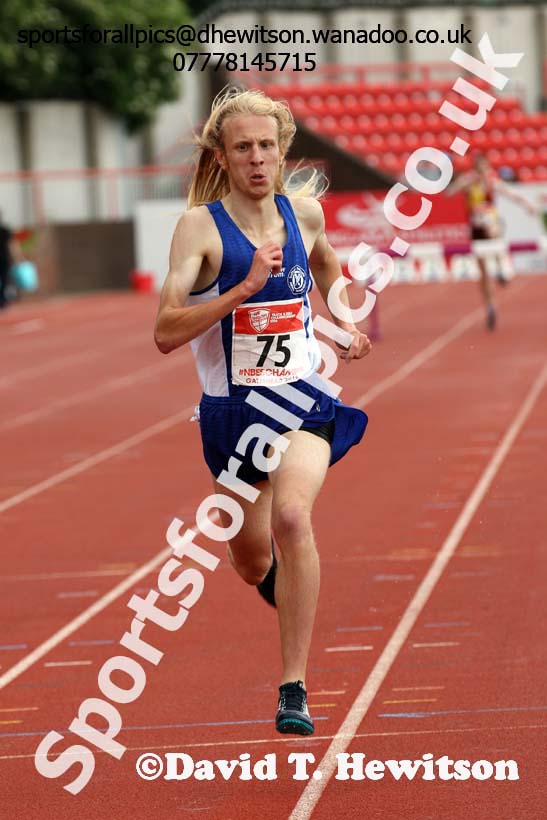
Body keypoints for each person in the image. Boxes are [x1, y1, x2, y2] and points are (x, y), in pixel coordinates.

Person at [154, 87, 372, 736]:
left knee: (292, 515)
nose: (257, 158)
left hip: (301, 397)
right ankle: (275, 583)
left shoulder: (303, 215)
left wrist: (342, 316)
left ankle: (292, 688)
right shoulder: (198, 229)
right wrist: (242, 290)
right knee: (251, 560)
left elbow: (327, 269)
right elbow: (166, 330)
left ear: (282, 153)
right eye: (243, 147)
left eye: (267, 147)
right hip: (232, 418)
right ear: (221, 156)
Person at [448, 152, 537, 330]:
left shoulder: (491, 183)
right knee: (483, 273)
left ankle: (500, 268)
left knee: (494, 230)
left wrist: (527, 204)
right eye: (480, 169)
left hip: (492, 227)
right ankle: (490, 307)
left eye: (485, 168)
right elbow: (449, 193)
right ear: (475, 170)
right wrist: (462, 183)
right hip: (476, 230)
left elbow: (511, 194)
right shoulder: (469, 183)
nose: (483, 172)